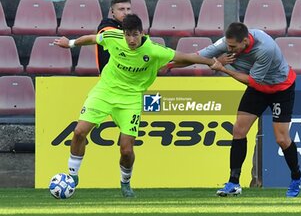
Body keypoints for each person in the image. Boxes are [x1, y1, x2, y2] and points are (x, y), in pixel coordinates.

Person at [53, 14, 218, 198]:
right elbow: (92, 38)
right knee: (79, 132)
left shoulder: (154, 50)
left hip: (131, 99)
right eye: (128, 35)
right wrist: (71, 44)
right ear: (123, 33)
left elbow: (186, 57)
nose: (131, 40)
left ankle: (125, 183)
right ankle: (73, 176)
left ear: (142, 33)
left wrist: (211, 62)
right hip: (104, 92)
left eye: (135, 35)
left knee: (126, 149)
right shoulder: (113, 37)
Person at [200, 22, 301, 197]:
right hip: (259, 89)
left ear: (245, 42)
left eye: (233, 46)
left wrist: (223, 68)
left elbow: (253, 81)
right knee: (238, 130)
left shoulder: (266, 48)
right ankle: (233, 182)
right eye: (228, 45)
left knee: (281, 139)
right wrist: (171, 63)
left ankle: (296, 177)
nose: (229, 49)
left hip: (281, 89)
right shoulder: (229, 42)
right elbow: (199, 55)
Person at [96, 0, 132, 73]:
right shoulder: (106, 26)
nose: (126, 13)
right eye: (121, 9)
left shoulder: (132, 27)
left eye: (128, 9)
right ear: (112, 12)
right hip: (110, 79)